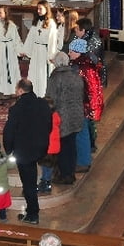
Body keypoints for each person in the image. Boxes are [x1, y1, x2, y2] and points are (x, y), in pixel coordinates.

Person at [3, 79, 52, 225]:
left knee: (28, 183)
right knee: (31, 179)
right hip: (41, 146)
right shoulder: (42, 104)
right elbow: (49, 124)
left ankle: (32, 214)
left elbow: (9, 132)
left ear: (20, 90)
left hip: (24, 151)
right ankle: (32, 207)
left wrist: (9, 149)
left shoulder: (16, 109)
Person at [44, 51, 83, 184]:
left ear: (57, 63)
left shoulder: (56, 78)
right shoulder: (76, 75)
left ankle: (64, 175)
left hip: (62, 119)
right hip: (76, 116)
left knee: (63, 147)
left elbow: (50, 99)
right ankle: (71, 172)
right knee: (71, 146)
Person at [69, 36, 104, 169]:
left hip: (83, 106)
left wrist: (91, 109)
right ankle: (83, 158)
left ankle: (83, 162)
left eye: (71, 51)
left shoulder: (83, 68)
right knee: (83, 133)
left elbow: (92, 90)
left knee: (81, 134)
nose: (69, 53)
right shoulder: (86, 64)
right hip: (84, 106)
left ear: (78, 52)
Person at [20, 0, 59, 96]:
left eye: (40, 9)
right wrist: (25, 50)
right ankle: (33, 92)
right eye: (37, 9)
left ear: (46, 9)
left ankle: (42, 93)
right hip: (36, 51)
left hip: (44, 52)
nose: (38, 11)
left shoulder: (51, 23)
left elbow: (52, 40)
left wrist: (51, 55)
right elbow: (30, 37)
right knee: (34, 72)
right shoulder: (37, 21)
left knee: (42, 73)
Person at [36, 96, 60, 195]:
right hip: (54, 147)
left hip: (48, 147)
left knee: (46, 165)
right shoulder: (55, 116)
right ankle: (45, 181)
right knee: (48, 165)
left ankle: (46, 182)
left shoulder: (46, 119)